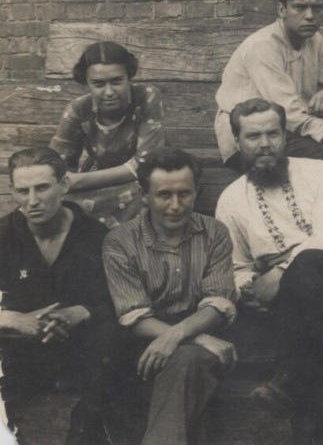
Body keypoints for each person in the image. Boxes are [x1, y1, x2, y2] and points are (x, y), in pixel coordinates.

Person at [215, 98, 323, 427]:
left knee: (306, 264)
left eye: (273, 134)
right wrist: (249, 287)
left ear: (284, 136)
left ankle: (291, 373)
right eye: (253, 136)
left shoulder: (319, 173)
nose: (265, 144)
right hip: (285, 301)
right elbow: (237, 265)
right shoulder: (231, 199)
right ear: (237, 141)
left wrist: (281, 272)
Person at [214, 0, 323, 243]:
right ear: (281, 9)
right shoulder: (263, 47)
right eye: (300, 7)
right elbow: (289, 114)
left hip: (287, 131)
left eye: (317, 8)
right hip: (250, 139)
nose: (309, 15)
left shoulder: (314, 40)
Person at [102, 147, 237, 445]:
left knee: (187, 359)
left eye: (184, 194)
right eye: (164, 195)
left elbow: (218, 303)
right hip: (143, 346)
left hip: (201, 340)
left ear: (196, 192)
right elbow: (134, 315)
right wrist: (194, 338)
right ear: (145, 196)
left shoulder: (215, 233)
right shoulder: (120, 241)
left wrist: (179, 337)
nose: (175, 205)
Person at [0, 148, 118, 444]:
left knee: (113, 342)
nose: (33, 200)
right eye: (23, 191)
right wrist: (14, 320)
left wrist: (80, 312)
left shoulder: (95, 235)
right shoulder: (3, 235)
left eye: (42, 188)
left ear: (63, 185)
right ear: (12, 192)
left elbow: (119, 301)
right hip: (17, 354)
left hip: (79, 351)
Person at [49, 41, 167, 226]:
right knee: (55, 201)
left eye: (117, 81)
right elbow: (55, 164)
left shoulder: (146, 96)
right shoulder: (79, 109)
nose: (109, 92)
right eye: (98, 84)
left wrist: (78, 181)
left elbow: (146, 163)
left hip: (143, 179)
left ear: (128, 77)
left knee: (147, 196)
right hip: (98, 181)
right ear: (87, 83)